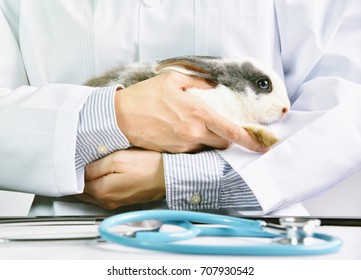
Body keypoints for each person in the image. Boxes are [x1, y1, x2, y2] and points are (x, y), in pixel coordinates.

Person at [1, 0, 360, 216]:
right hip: (68, 230)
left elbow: (349, 100)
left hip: (247, 233)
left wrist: (180, 174)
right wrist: (114, 116)